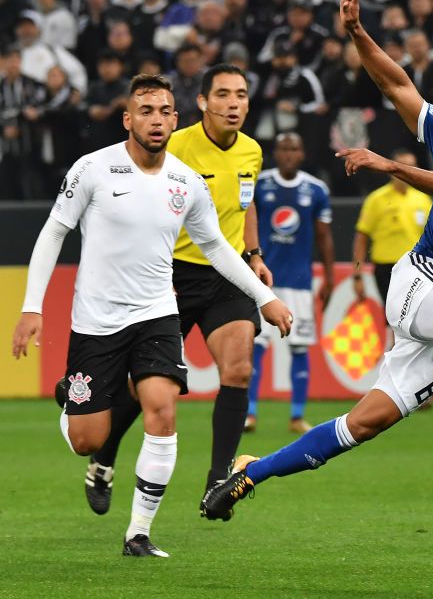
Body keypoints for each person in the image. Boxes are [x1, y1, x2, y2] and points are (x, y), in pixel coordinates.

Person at [199, 0, 433, 522]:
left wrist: (391, 165)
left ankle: (250, 472)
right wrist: (358, 31)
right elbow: (397, 84)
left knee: (356, 428)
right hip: (422, 278)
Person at [11, 74, 290, 557]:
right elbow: (54, 232)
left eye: (163, 111)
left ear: (175, 118)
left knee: (162, 410)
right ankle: (72, 404)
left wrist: (264, 297)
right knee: (86, 438)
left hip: (158, 312)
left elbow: (219, 249)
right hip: (97, 320)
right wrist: (31, 307)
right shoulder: (93, 169)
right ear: (128, 119)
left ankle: (138, 534)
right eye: (145, 111)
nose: (155, 119)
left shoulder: (185, 182)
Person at [85, 64, 271, 516]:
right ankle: (104, 456)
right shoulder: (176, 145)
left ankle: (219, 482)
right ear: (203, 102)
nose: (233, 104)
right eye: (223, 94)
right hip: (168, 274)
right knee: (148, 386)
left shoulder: (251, 152)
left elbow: (247, 204)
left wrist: (254, 254)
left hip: (225, 275)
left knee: (239, 368)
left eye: (241, 95)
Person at [246, 133, 335, 435]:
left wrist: (330, 276)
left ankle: (297, 416)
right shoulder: (260, 185)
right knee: (255, 347)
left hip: (300, 283)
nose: (288, 154)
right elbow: (245, 224)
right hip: (262, 281)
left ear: (302, 154)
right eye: (283, 149)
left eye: (293, 149)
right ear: (276, 153)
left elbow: (324, 236)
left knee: (299, 348)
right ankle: (250, 414)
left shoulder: (316, 189)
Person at [352, 148, 432, 307]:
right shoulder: (376, 199)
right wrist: (357, 275)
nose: (408, 172)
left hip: (416, 266)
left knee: (415, 313)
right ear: (392, 169)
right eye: (403, 166)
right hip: (386, 267)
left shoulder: (423, 199)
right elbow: (361, 237)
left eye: (412, 167)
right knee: (392, 314)